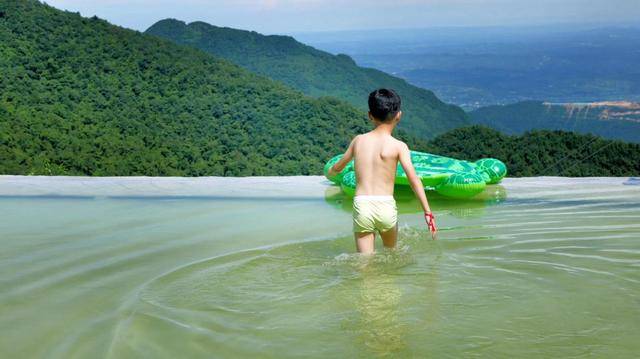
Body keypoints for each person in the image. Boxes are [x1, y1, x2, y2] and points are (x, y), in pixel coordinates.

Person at [328, 88, 437, 254]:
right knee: (391, 255)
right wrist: (428, 212)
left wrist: (332, 172)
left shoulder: (359, 141)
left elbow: (338, 167)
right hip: (386, 205)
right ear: (398, 115)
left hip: (362, 205)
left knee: (364, 262)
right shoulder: (399, 146)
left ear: (370, 115)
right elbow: (414, 180)